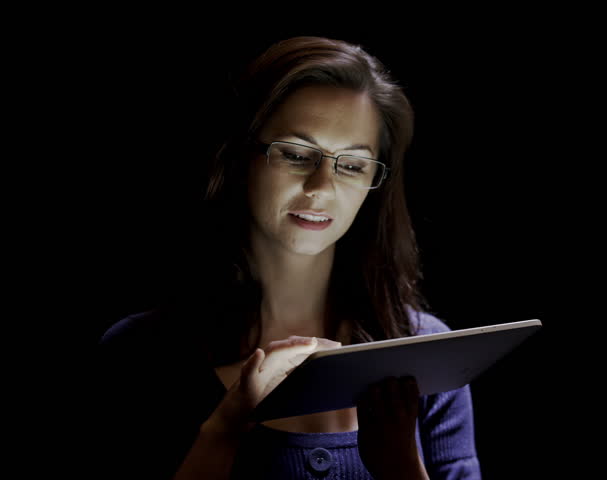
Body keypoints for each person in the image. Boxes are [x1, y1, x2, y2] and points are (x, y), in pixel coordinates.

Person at [95, 36, 481, 479]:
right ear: (240, 158)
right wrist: (224, 429)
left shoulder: (427, 352)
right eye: (297, 155)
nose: (321, 187)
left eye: (352, 166)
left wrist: (400, 465)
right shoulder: (143, 352)